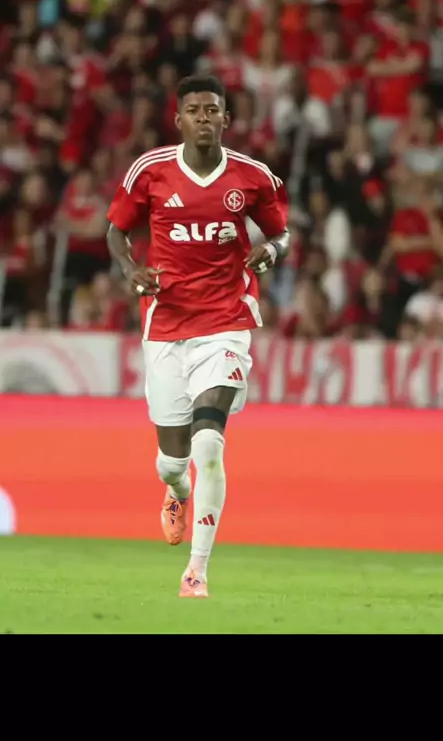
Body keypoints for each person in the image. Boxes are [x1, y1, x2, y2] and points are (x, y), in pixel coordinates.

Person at [106, 75, 290, 598]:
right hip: (166, 323)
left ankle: (196, 571)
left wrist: (271, 251)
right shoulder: (150, 171)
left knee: (209, 443)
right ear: (179, 120)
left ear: (226, 119)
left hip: (226, 322)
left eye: (212, 110)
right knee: (173, 460)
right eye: (194, 110)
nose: (204, 118)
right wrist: (131, 270)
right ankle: (177, 490)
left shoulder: (252, 177)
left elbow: (281, 231)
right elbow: (116, 230)